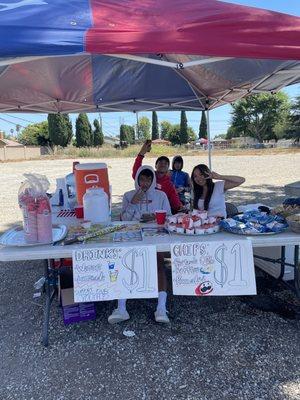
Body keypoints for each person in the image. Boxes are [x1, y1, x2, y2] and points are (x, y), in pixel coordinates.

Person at [108, 165, 172, 324]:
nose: (145, 183)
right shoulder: (129, 195)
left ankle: (161, 308)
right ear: (137, 179)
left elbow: (169, 217)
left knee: (159, 264)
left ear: (153, 180)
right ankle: (121, 308)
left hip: (155, 234)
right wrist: (133, 203)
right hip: (133, 235)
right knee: (125, 263)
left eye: (148, 179)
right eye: (142, 179)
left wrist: (155, 217)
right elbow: (123, 219)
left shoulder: (161, 195)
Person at [132, 141, 182, 213]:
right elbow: (136, 174)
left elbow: (175, 203)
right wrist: (141, 154)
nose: (163, 164)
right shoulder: (149, 176)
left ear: (168, 168)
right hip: (140, 210)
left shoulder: (169, 185)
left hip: (157, 214)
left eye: (166, 163)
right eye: (160, 162)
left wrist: (180, 206)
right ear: (155, 166)